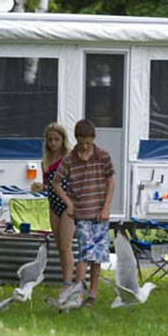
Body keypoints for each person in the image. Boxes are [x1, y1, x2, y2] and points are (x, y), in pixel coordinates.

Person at [52, 119, 115, 307]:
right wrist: (69, 204)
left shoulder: (103, 156)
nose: (85, 146)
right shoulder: (70, 159)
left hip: (100, 214)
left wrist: (106, 208)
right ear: (76, 139)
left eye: (88, 143)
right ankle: (77, 293)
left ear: (94, 138)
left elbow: (111, 181)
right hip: (81, 214)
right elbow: (56, 183)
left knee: (98, 256)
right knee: (85, 254)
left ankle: (93, 292)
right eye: (81, 143)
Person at [33, 123, 75, 291]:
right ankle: (65, 280)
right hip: (53, 205)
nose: (53, 143)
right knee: (59, 247)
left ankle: (67, 284)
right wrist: (41, 187)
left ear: (63, 140)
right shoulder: (45, 161)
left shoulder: (69, 158)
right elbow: (48, 184)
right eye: (50, 139)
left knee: (65, 246)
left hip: (67, 206)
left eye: (57, 139)